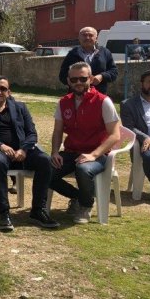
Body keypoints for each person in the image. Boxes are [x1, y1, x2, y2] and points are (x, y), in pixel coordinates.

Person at [0, 75, 59, 231]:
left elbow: (32, 133)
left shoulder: (20, 107)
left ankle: (38, 210)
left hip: (22, 151)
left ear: (9, 92)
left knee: (45, 160)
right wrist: (0, 145)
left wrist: (24, 149)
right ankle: (4, 213)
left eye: (3, 88)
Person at [50, 62, 120, 224]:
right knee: (45, 170)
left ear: (90, 78)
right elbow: (58, 131)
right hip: (71, 152)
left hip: (98, 153)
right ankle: (78, 197)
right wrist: (55, 152)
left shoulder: (103, 101)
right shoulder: (63, 102)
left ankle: (85, 206)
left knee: (83, 169)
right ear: (68, 81)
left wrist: (93, 155)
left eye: (83, 79)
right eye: (74, 79)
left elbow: (115, 135)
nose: (78, 83)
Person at [120, 69, 150, 202]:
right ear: (142, 84)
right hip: (146, 140)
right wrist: (145, 137)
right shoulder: (128, 104)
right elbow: (128, 127)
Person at [58, 26, 118, 94]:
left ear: (96, 38)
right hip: (76, 95)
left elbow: (114, 72)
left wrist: (102, 76)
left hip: (99, 95)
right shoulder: (72, 54)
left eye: (90, 35)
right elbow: (62, 75)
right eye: (84, 35)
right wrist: (75, 81)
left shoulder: (105, 52)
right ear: (79, 38)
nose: (87, 38)